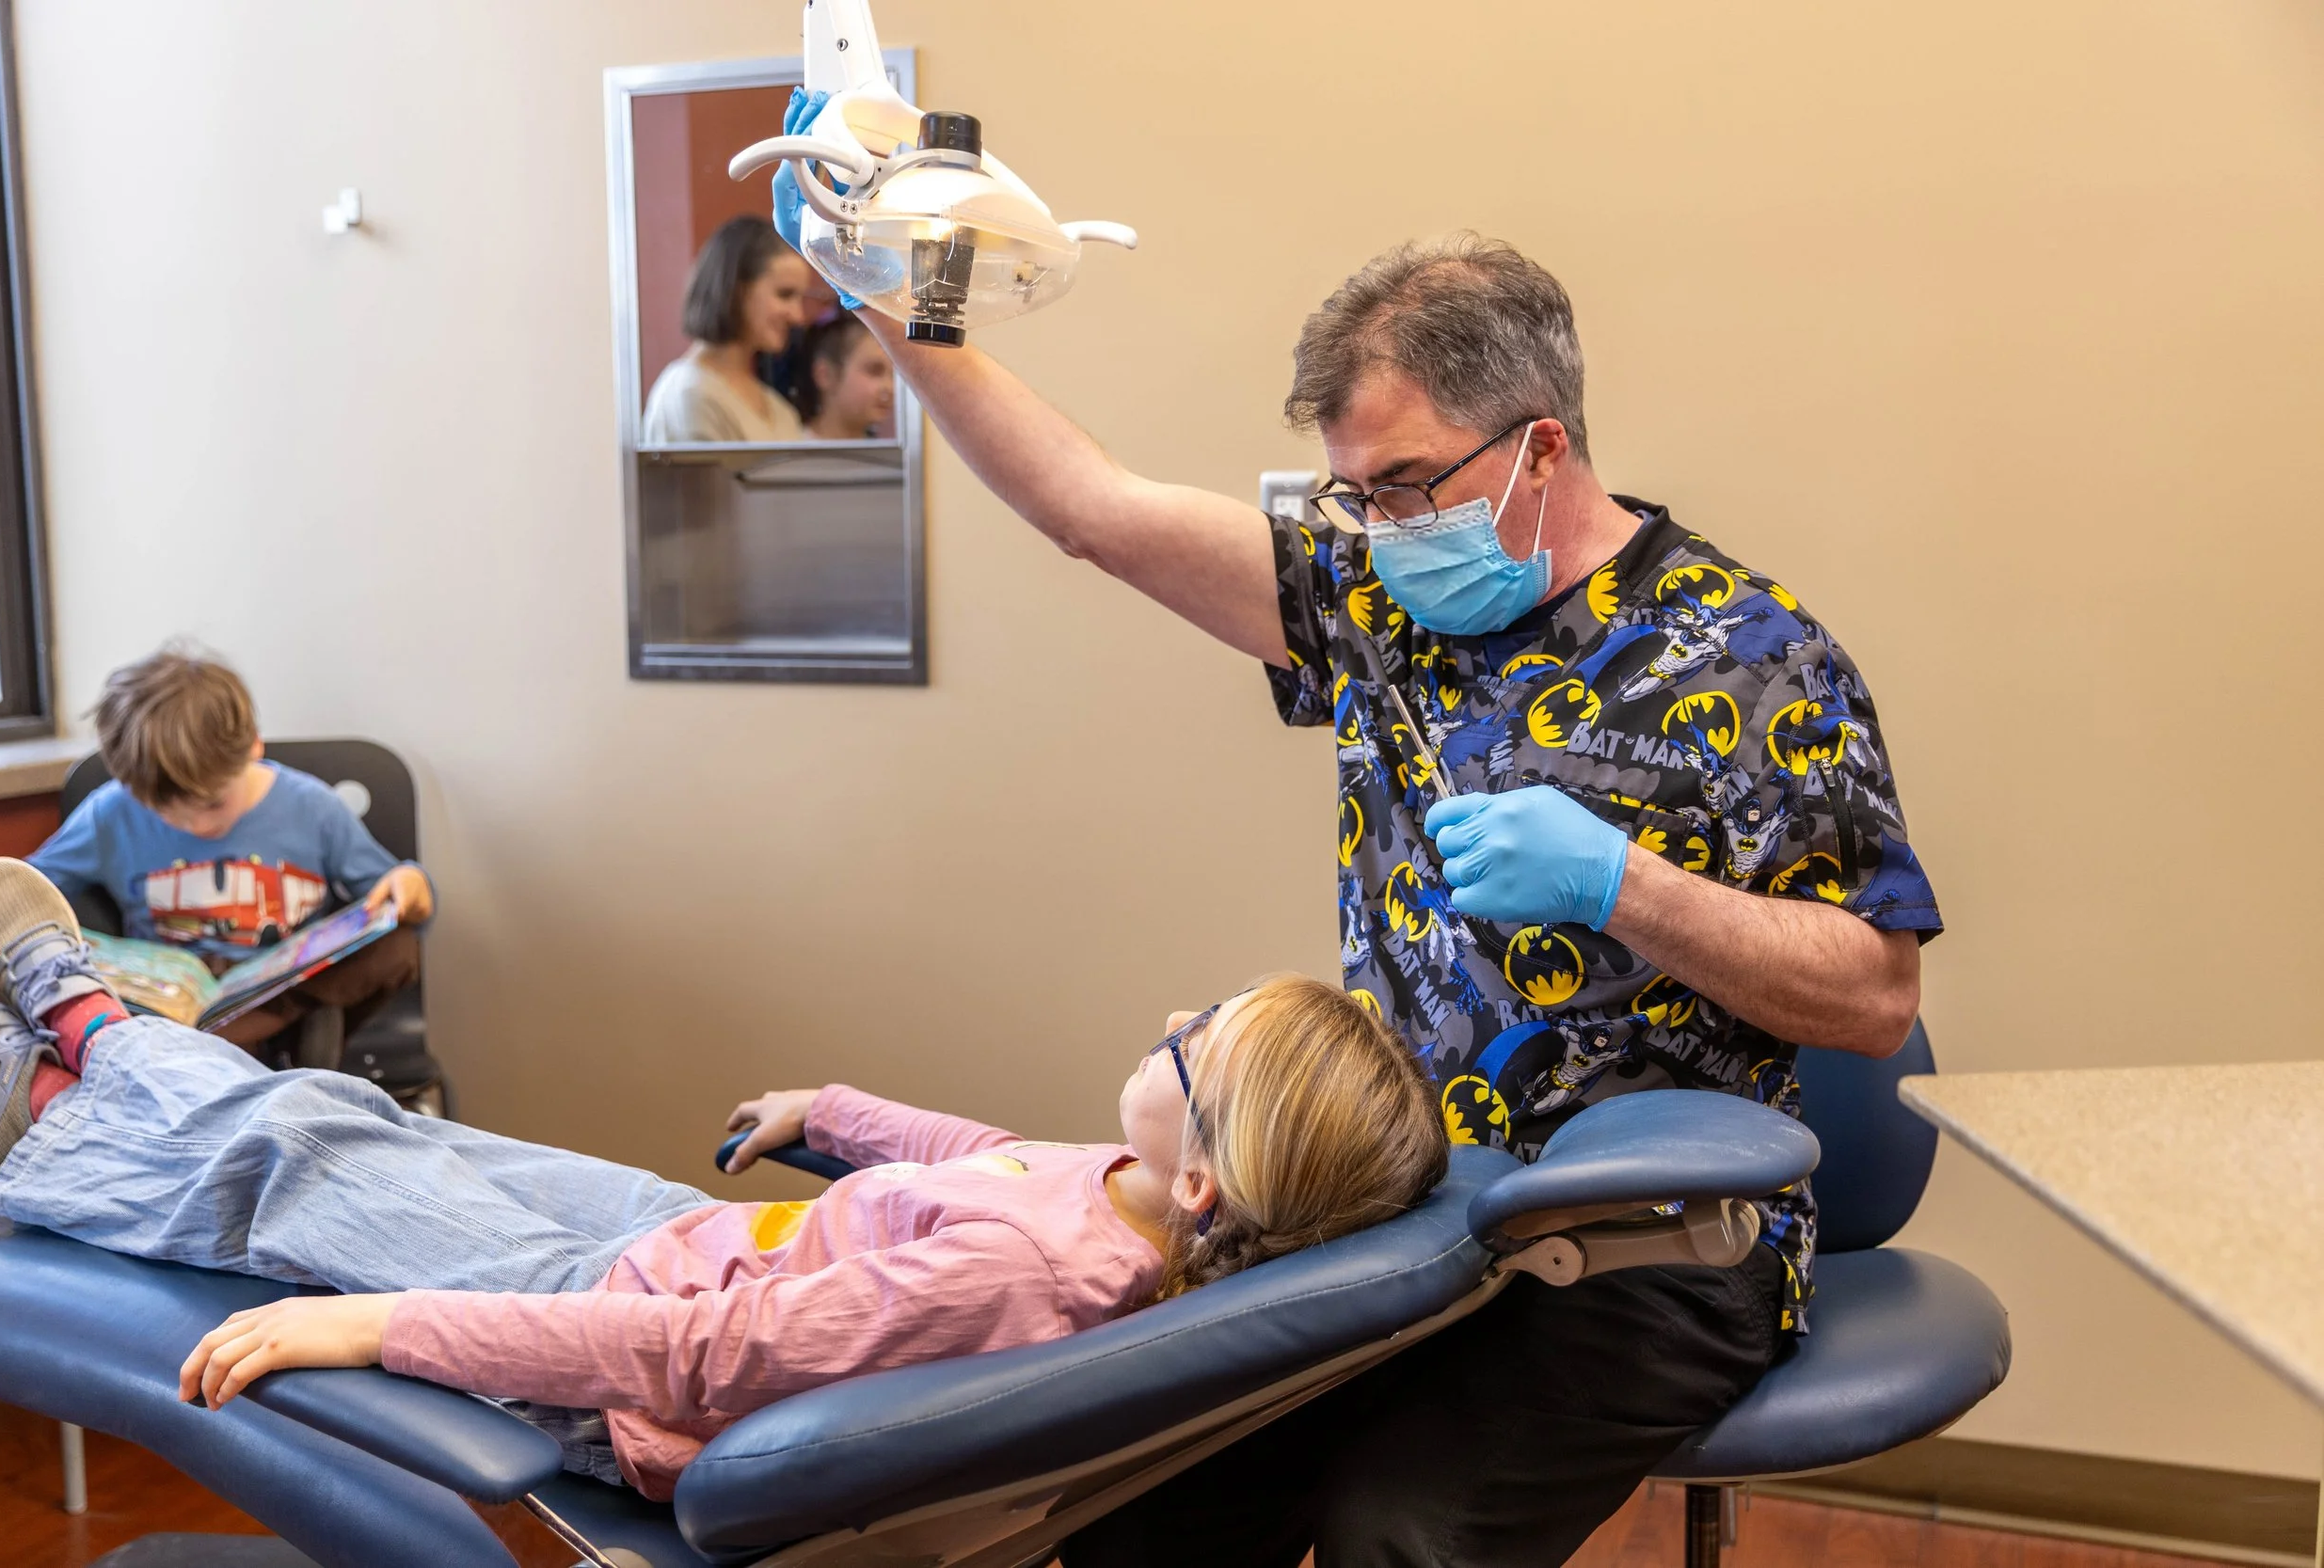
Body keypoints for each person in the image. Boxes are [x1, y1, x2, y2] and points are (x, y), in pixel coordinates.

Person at [776, 87, 1942, 1568]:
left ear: (1540, 446)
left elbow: (1873, 995)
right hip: (1387, 1210)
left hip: (1659, 1247)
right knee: (1139, 1492)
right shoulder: (1381, 598)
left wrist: (1624, 884)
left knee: (1400, 1533)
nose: (1381, 526)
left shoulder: (1752, 656)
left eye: (1405, 484)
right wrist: (902, 313)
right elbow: (1095, 510)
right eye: (1355, 492)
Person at [0, 855, 1449, 1502]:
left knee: (283, 1156)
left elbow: (696, 1360)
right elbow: (978, 1159)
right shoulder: (1127, 1190)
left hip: (627, 1347)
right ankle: (65, 1037)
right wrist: (837, 1106)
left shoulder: (1024, 1282)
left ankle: (49, 1062)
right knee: (348, 1107)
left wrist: (374, 1323)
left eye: (1200, 1048)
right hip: (690, 1237)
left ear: (1211, 1189)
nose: (1177, 1021)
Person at [29, 647, 433, 1067]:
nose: (196, 826)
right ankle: (233, 1046)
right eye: (166, 812)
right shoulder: (111, 812)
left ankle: (241, 1041)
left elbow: (393, 898)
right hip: (169, 1003)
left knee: (395, 949)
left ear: (253, 746)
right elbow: (24, 889)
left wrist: (411, 886)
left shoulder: (312, 807)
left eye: (214, 804)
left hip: (284, 992)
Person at [641, 215, 813, 444]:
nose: (798, 316)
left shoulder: (776, 407)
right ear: (737, 289)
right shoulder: (691, 394)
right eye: (784, 294)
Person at [794, 310, 899, 439]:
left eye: (894, 376)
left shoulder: (887, 454)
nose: (890, 388)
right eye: (874, 371)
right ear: (825, 375)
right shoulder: (789, 443)